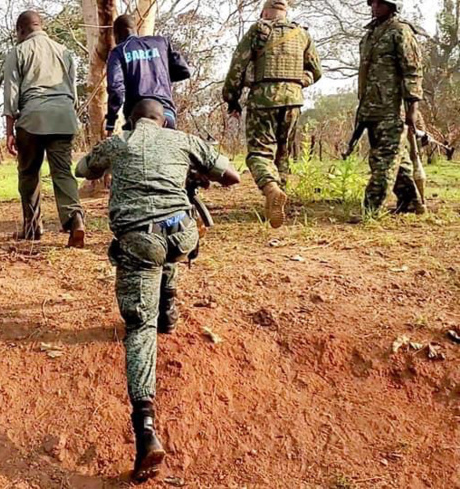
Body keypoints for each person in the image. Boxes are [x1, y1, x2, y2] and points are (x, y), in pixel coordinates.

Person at [76, 100, 241, 481]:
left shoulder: (120, 142)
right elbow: (232, 177)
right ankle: (168, 308)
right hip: (182, 231)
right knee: (168, 248)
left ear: (132, 120)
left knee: (139, 329)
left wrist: (109, 152)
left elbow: (82, 168)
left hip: (140, 240)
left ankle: (146, 430)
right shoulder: (184, 140)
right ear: (164, 120)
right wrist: (196, 171)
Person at [223, 0, 322, 228]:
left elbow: (237, 66)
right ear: (285, 12)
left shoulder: (258, 30)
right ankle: (278, 202)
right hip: (294, 101)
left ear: (266, 12)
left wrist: (232, 98)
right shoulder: (302, 34)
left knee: (259, 153)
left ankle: (271, 189)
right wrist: (297, 83)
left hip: (263, 99)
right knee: (283, 152)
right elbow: (316, 71)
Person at [3, 10, 86, 247]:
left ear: (20, 30)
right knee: (62, 171)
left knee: (29, 172)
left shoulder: (17, 52)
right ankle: (75, 219)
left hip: (32, 119)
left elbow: (11, 95)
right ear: (40, 26)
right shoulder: (64, 51)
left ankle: (32, 227)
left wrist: (9, 131)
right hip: (64, 116)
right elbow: (73, 90)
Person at [356, 0, 425, 215]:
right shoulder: (370, 34)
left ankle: (371, 209)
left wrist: (412, 108)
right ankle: (411, 202)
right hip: (371, 108)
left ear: (392, 6)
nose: (374, 6)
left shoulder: (401, 32)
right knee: (396, 157)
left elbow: (412, 71)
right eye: (372, 2)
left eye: (380, 2)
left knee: (384, 159)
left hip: (393, 109)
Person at [104, 14, 191, 136]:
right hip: (165, 115)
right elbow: (184, 71)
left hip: (138, 119)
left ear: (116, 34)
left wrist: (110, 123)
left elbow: (116, 89)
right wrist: (160, 76)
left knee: (137, 154)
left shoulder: (119, 51)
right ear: (135, 29)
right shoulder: (161, 42)